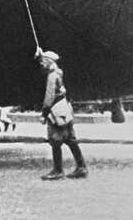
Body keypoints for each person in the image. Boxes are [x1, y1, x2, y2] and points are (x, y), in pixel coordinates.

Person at [37, 49, 87, 180]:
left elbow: (49, 96)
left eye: (43, 61)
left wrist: (44, 114)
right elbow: (44, 70)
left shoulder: (51, 76)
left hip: (56, 110)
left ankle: (58, 171)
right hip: (65, 108)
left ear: (49, 61)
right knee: (71, 139)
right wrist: (40, 55)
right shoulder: (58, 72)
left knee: (55, 140)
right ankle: (82, 167)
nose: (41, 63)